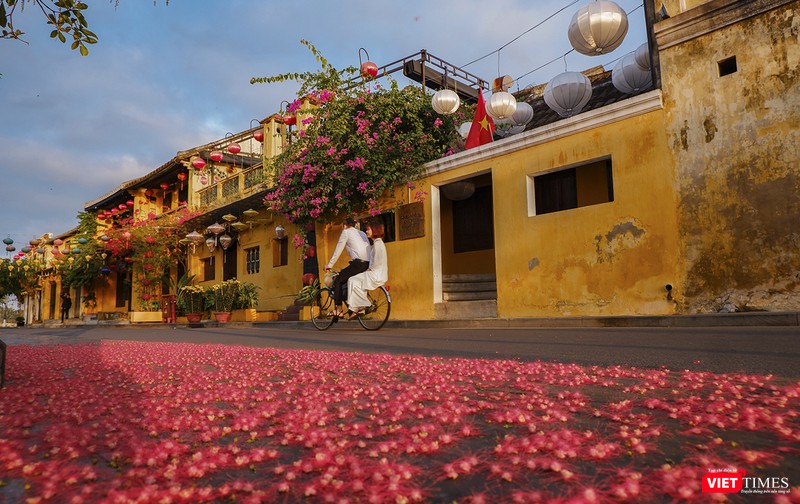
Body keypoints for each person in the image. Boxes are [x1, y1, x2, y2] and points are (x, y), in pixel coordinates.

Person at [324, 217, 370, 318]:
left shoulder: (346, 232)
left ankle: (339, 310)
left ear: (345, 225)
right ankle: (353, 306)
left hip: (358, 263)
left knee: (338, 281)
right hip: (367, 263)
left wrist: (329, 265)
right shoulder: (361, 233)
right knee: (350, 280)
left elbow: (338, 250)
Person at [347, 221, 388, 318]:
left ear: (374, 230)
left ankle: (362, 305)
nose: (366, 231)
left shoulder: (378, 244)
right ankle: (358, 308)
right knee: (357, 282)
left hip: (375, 274)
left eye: (368, 229)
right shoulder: (377, 243)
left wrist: (369, 269)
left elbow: (377, 262)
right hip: (377, 273)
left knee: (352, 280)